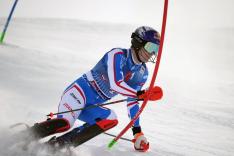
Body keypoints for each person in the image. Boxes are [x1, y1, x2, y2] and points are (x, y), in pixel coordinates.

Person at [30, 26, 163, 152]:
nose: (152, 52)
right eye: (151, 46)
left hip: (92, 105)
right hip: (79, 93)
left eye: (156, 49)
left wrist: (137, 133)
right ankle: (27, 135)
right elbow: (115, 84)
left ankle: (59, 145)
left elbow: (132, 101)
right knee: (65, 123)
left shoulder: (142, 72)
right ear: (138, 42)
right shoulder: (117, 55)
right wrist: (140, 94)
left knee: (110, 118)